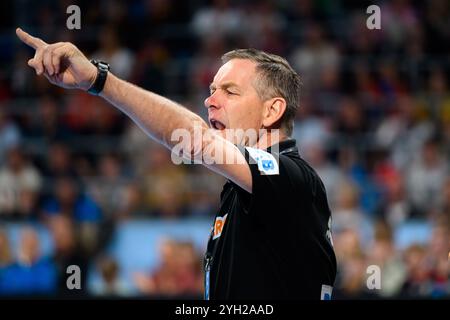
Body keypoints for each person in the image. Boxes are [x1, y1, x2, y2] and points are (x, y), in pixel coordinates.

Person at [16, 27, 337, 299]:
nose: (210, 100)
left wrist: (99, 81)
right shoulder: (243, 190)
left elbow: (194, 139)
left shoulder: (290, 176)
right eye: (211, 90)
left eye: (229, 91)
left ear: (272, 111)